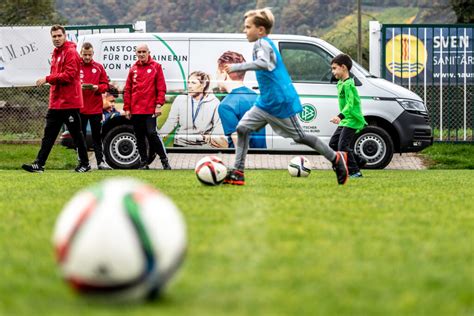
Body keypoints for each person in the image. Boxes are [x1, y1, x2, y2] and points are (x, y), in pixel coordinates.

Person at [223, 8, 349, 185]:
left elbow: (264, 63)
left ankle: (336, 159)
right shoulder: (261, 44)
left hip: (281, 103)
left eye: (247, 27)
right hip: (265, 103)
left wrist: (237, 67)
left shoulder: (262, 44)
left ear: (260, 30)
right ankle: (238, 172)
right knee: (243, 128)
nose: (245, 31)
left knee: (301, 137)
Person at [22, 25, 90, 173]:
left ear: (65, 36)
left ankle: (85, 164)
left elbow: (68, 76)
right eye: (54, 36)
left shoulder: (71, 52)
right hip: (56, 103)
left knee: (76, 135)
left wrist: (47, 78)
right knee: (48, 136)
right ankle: (39, 164)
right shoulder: (55, 53)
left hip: (69, 102)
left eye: (59, 36)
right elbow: (59, 77)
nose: (57, 39)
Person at [123, 43, 171, 170]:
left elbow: (161, 88)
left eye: (144, 51)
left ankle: (164, 160)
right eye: (139, 52)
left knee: (152, 133)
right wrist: (127, 108)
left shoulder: (156, 67)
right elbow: (128, 89)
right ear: (136, 53)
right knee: (139, 136)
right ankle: (144, 162)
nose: (141, 54)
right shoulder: (133, 69)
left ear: (149, 52)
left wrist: (159, 105)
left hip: (150, 109)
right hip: (136, 109)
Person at [160, 71, 226, 148]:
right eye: (188, 83)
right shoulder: (180, 99)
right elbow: (171, 121)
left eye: (193, 83)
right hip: (181, 144)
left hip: (204, 146)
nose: (189, 86)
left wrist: (212, 138)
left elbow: (218, 126)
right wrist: (160, 135)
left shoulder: (214, 102)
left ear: (203, 85)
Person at [217, 51, 266, 149]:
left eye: (217, 73)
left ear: (224, 73)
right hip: (261, 157)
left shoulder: (226, 105)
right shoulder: (257, 97)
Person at [329, 54, 368, 178]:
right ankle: (359, 161)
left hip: (352, 119)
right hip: (346, 119)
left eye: (335, 68)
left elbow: (350, 104)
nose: (333, 71)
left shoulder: (349, 85)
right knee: (333, 144)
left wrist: (340, 116)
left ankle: (354, 171)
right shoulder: (341, 83)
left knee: (343, 146)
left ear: (343, 67)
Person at [79, 42, 111, 170]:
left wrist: (97, 87)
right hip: (80, 108)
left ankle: (100, 162)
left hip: (95, 109)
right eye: (85, 54)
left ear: (93, 54)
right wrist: (78, 87)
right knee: (80, 137)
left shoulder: (98, 67)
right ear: (81, 53)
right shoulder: (76, 67)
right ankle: (81, 161)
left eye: (89, 54)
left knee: (97, 137)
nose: (87, 57)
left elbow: (105, 85)